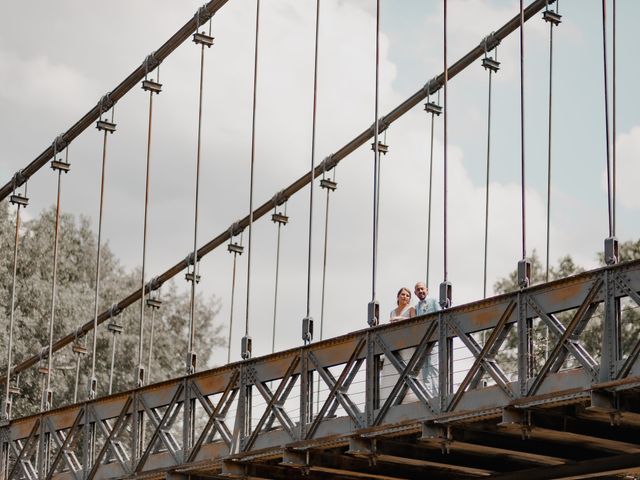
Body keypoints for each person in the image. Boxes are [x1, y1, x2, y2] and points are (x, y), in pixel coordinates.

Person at [380, 288, 417, 405]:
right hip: (395, 343)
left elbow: (415, 322)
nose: (405, 297)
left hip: (407, 342)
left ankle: (410, 397)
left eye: (407, 295)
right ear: (398, 297)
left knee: (407, 365)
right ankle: (391, 398)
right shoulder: (392, 312)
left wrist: (401, 319)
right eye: (402, 294)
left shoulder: (411, 309)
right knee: (393, 369)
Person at [414, 282, 440, 398]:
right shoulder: (416, 307)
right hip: (424, 340)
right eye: (418, 290)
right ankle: (429, 395)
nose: (421, 291)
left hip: (434, 338)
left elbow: (441, 315)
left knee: (433, 366)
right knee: (425, 368)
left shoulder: (434, 301)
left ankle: (437, 394)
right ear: (415, 293)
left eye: (422, 289)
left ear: (427, 290)